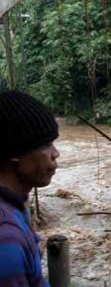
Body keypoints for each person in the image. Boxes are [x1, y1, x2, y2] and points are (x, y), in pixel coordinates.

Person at [0, 90, 60, 286]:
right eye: (46, 145)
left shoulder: (14, 204)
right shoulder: (7, 239)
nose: (56, 153)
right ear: (15, 153)